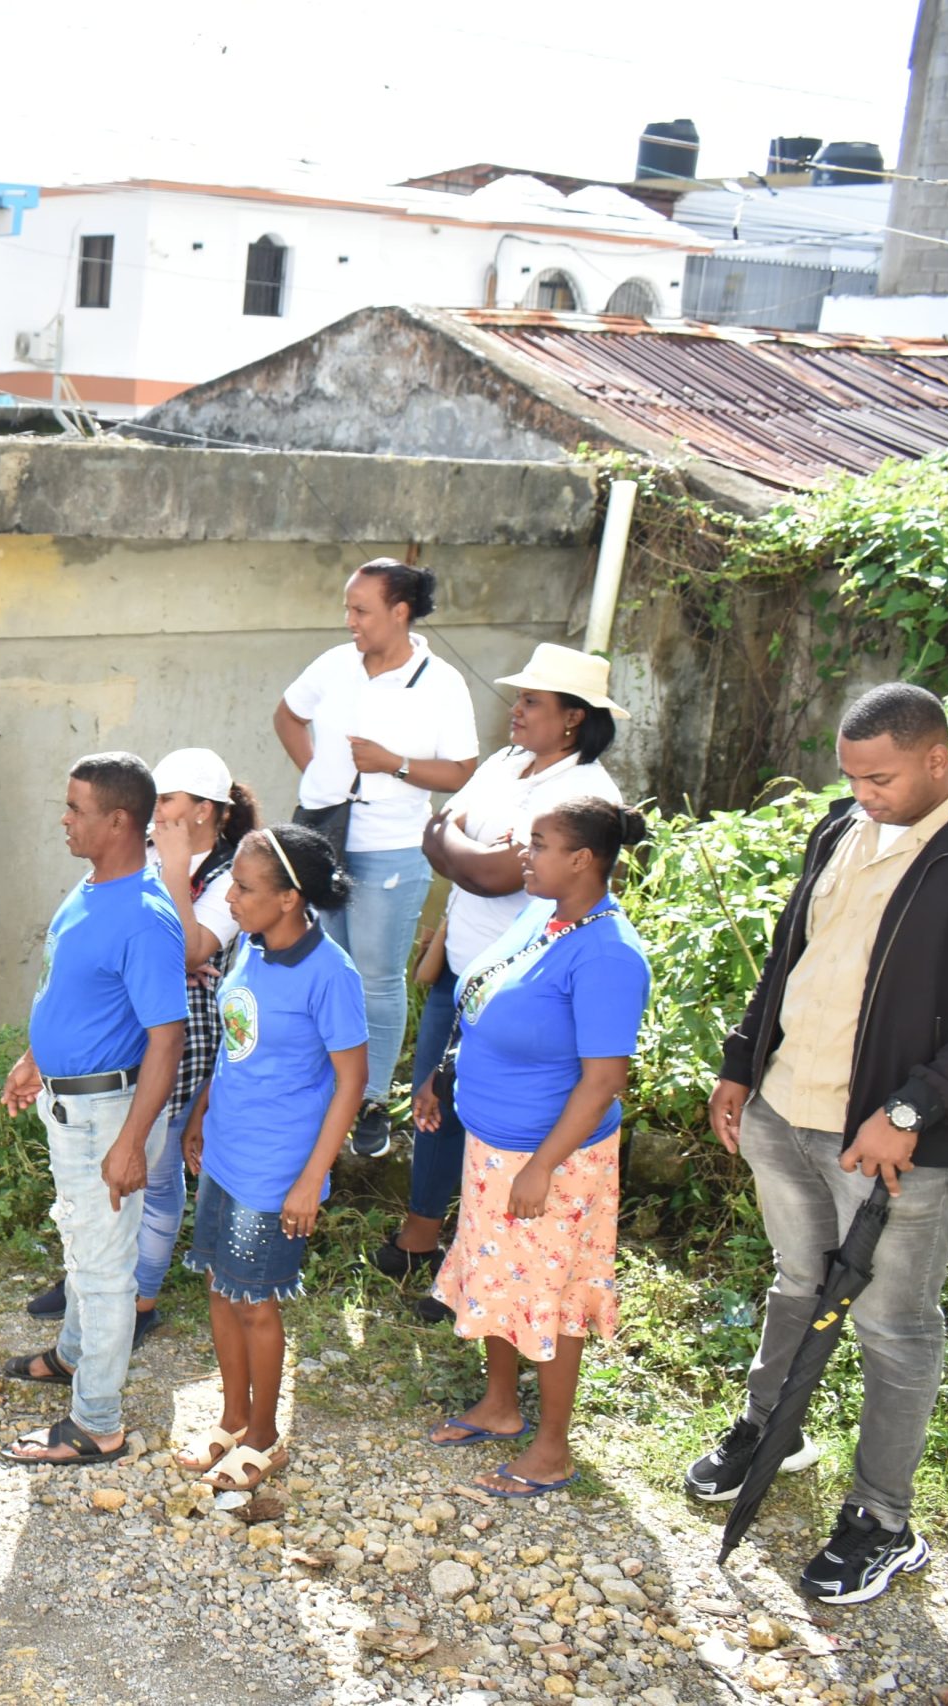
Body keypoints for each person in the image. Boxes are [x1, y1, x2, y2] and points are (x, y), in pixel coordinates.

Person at [692, 684, 948, 1605]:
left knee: (893, 1327)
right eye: (852, 776)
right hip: (787, 1110)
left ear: (937, 758)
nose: (862, 793)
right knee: (794, 1282)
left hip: (898, 1141)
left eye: (881, 778)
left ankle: (881, 1521)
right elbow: (793, 951)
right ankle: (775, 1429)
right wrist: (744, 1059)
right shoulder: (840, 826)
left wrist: (910, 1111)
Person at [417, 798, 653, 1500]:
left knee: (550, 1297)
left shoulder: (609, 953)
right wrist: (441, 1075)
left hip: (555, 1161)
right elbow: (481, 996)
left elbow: (606, 1079)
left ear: (583, 859)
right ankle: (500, 1404)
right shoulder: (540, 915)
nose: (525, 853)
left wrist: (543, 1163)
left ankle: (552, 1448)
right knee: (496, 1276)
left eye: (541, 844)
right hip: (494, 1148)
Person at [383, 644, 626, 1307]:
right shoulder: (505, 763)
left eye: (532, 702)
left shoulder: (583, 793)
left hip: (525, 988)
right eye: (519, 698)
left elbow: (490, 875)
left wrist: (461, 849)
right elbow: (440, 832)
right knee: (435, 1101)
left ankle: (474, 1259)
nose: (515, 710)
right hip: (464, 969)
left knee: (492, 1118)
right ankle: (421, 1239)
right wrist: (461, 848)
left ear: (574, 718)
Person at [26, 749, 259, 1339]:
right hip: (122, 1020)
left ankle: (139, 1295)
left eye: (170, 801)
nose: (156, 811)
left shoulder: (229, 870)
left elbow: (189, 952)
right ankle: (96, 1277)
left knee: (153, 1164)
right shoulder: (145, 856)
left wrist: (178, 871)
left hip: (180, 1029)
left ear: (205, 811)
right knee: (112, 1168)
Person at [0, 753, 186, 1467]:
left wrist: (134, 1142)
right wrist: (36, 1058)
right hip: (71, 1101)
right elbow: (72, 990)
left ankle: (97, 1424)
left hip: (111, 1113)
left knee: (106, 1270)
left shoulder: (144, 916)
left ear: (119, 821)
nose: (64, 820)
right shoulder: (92, 886)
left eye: (76, 809)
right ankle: (75, 1357)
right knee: (82, 1242)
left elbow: (169, 1039)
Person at [171, 825, 368, 1495]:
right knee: (221, 1289)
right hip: (226, 1152)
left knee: (257, 1302)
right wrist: (200, 1111)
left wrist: (312, 1176)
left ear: (290, 899)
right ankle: (231, 1420)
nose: (230, 896)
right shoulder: (249, 950)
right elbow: (235, 1046)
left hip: (277, 1169)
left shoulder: (331, 973)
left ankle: (264, 1438)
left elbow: (351, 1082)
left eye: (246, 888)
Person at [273, 559, 480, 1158]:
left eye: (361, 610)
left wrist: (395, 764)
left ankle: (369, 1102)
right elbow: (288, 714)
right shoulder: (337, 664)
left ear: (401, 612)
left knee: (376, 977)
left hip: (391, 845)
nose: (350, 621)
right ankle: (327, 1086)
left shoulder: (440, 683)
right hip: (322, 835)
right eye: (348, 608)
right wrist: (318, 775)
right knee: (325, 966)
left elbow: (463, 769)